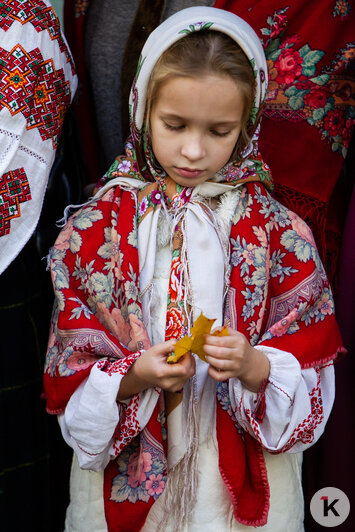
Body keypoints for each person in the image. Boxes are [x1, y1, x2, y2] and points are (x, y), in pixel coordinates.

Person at [43, 6, 344, 532]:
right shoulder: (95, 232)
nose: (192, 150)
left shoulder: (282, 236)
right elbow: (69, 369)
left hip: (234, 498)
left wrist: (256, 367)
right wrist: (132, 375)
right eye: (174, 124)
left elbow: (312, 367)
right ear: (141, 109)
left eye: (219, 131)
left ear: (248, 126)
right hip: (126, 484)